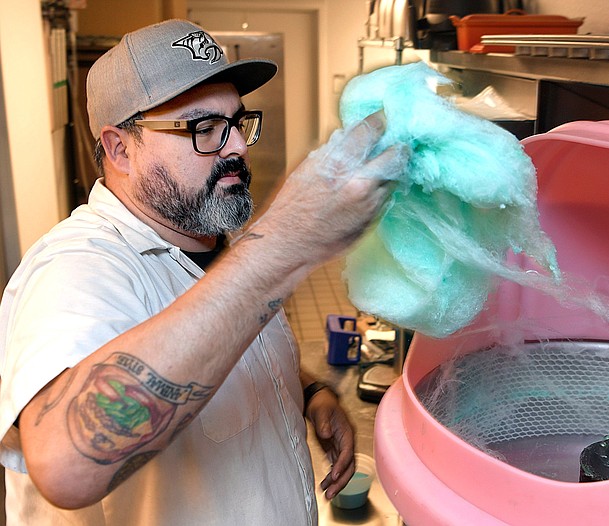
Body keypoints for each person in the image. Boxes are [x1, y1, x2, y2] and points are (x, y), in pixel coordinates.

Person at [0, 19, 407, 525]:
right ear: (120, 148)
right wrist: (282, 245)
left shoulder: (206, 237)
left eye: (237, 122)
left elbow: (206, 342)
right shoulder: (75, 268)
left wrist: (308, 391)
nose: (237, 146)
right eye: (203, 128)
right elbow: (64, 463)